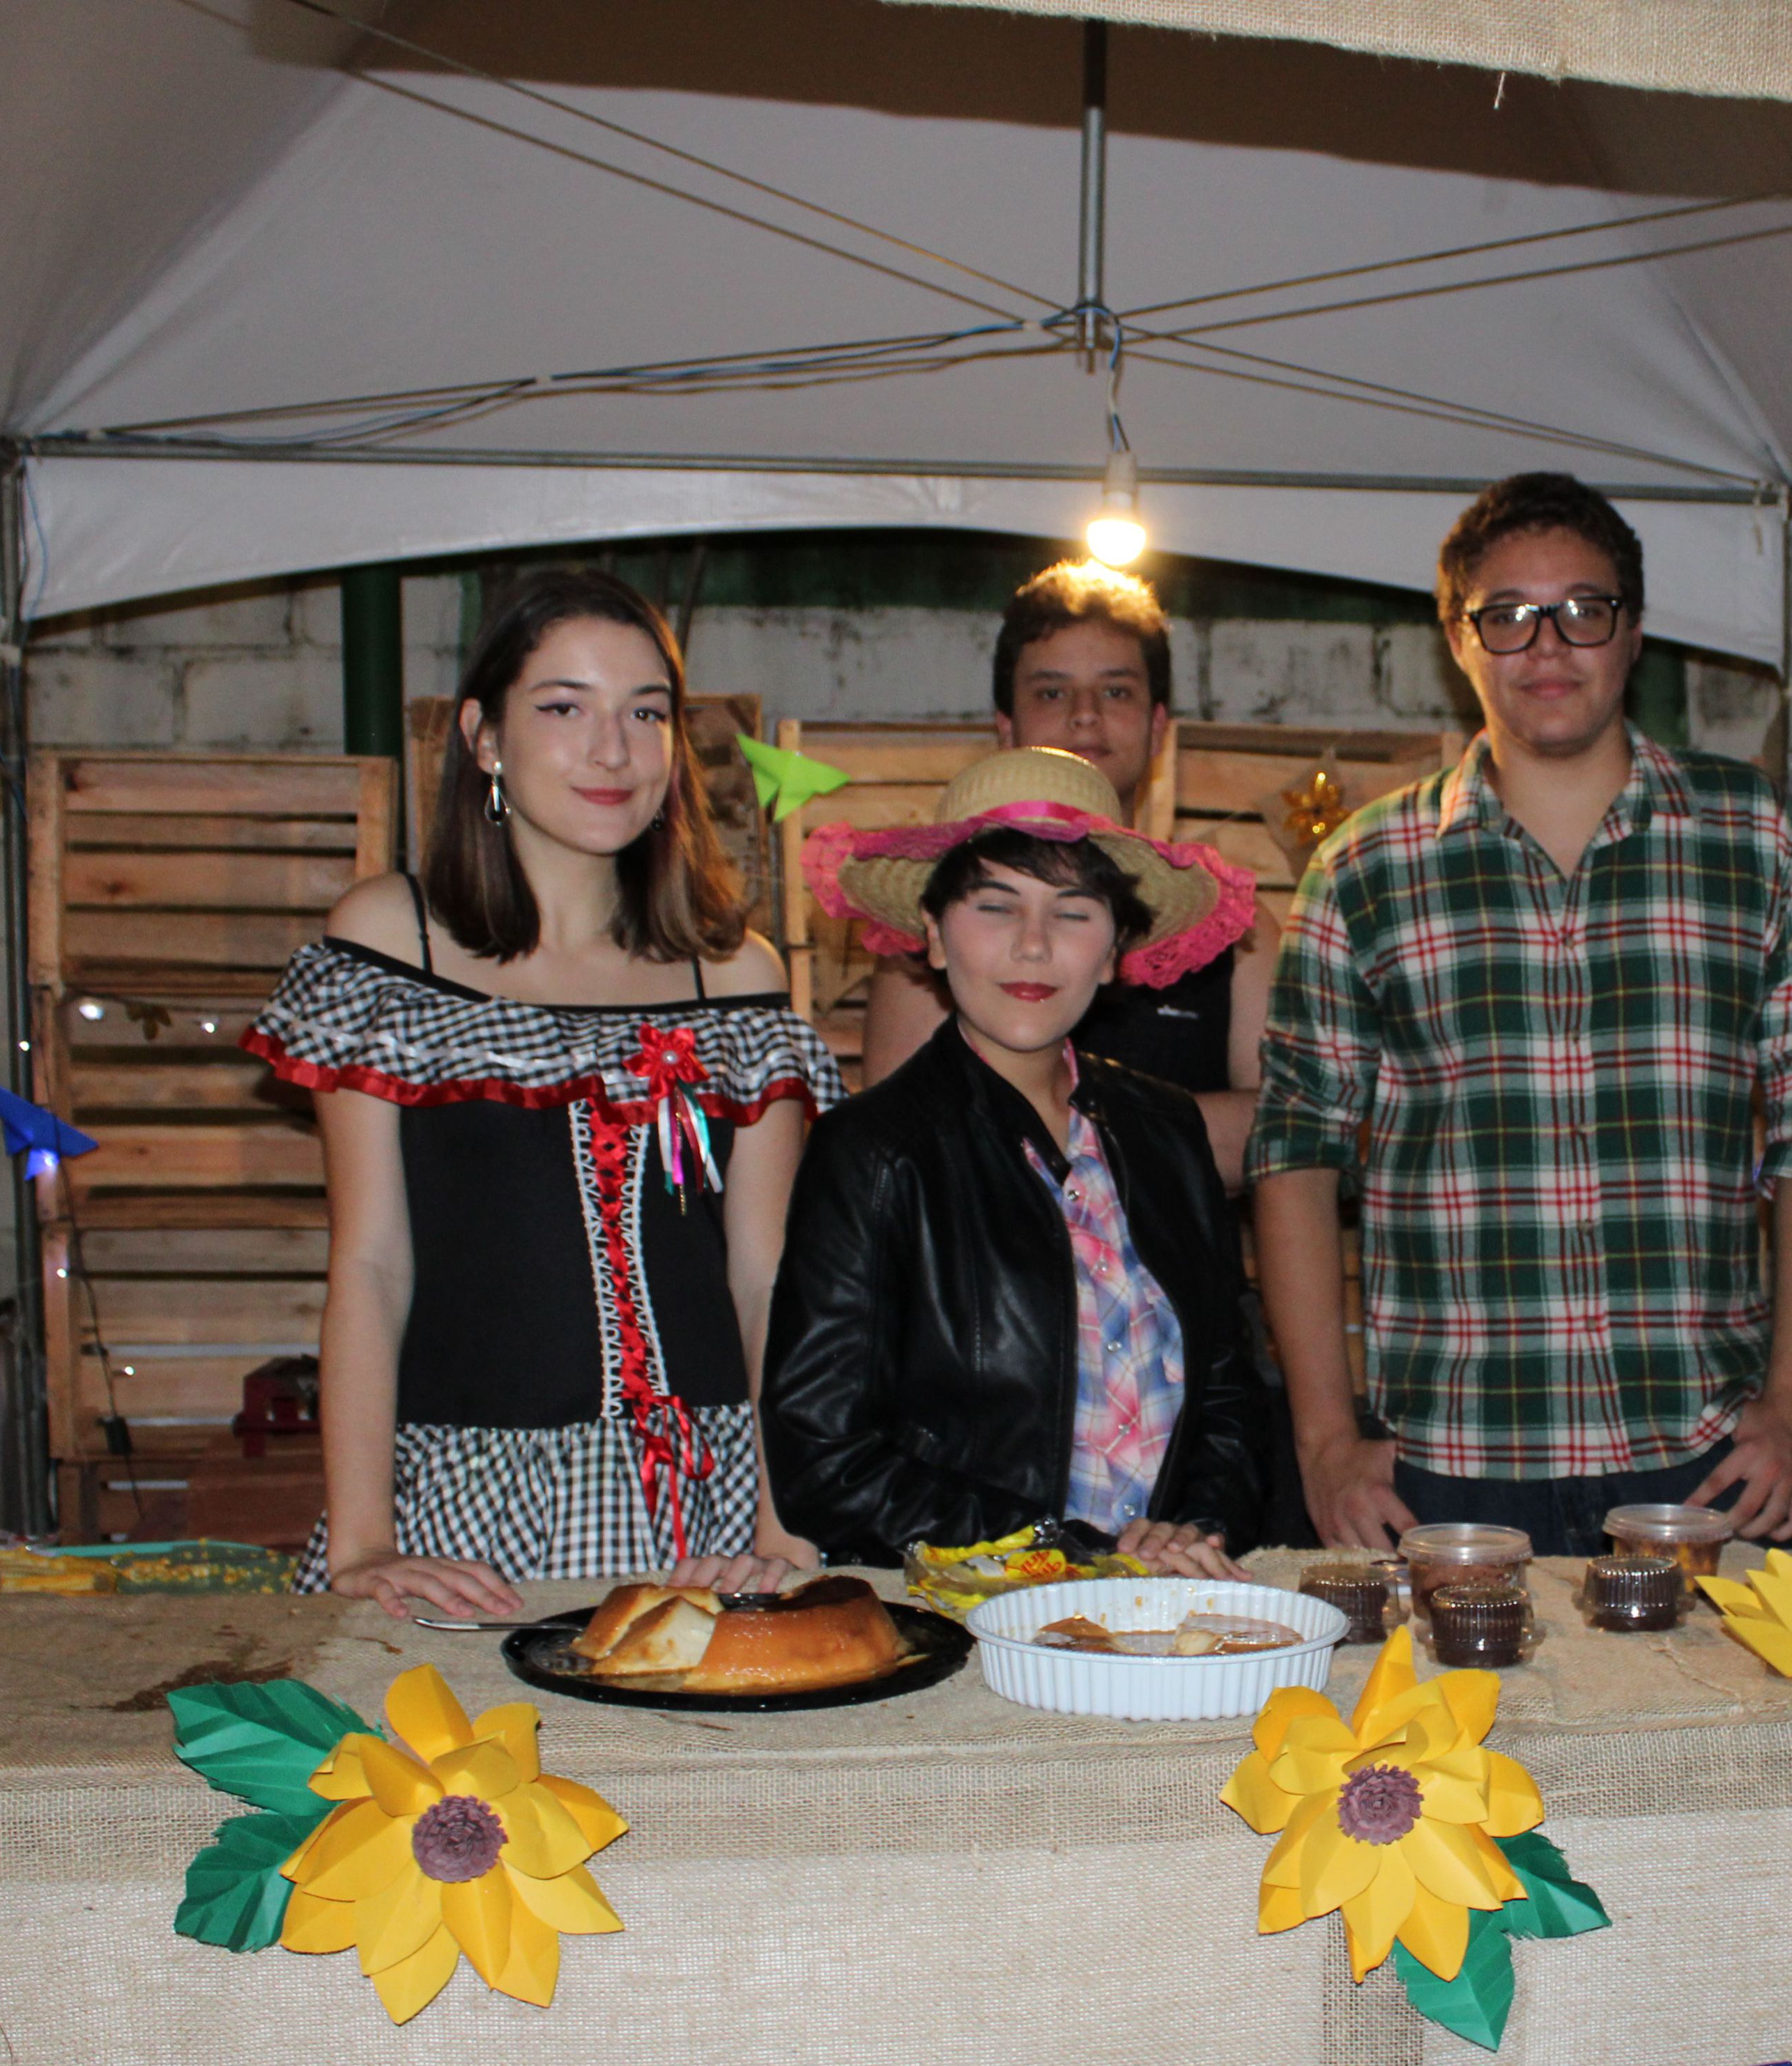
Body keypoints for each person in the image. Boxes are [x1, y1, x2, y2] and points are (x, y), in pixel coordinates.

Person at [1249, 470, 1792, 1554]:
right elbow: (1295, 1155)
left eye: (1583, 609)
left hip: (1705, 1454)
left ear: (1634, 633)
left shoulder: (1755, 840)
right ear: (1458, 638)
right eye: (1508, 614)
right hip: (1446, 1467)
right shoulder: (1362, 870)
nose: (1547, 645)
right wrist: (1324, 1441)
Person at [244, 568, 841, 1619]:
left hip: (710, 1503)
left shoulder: (734, 974)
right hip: (463, 1507)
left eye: (645, 713)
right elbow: (371, 1265)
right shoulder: (389, 942)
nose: (613, 750)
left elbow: (764, 1277)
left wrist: (784, 1524)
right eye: (565, 708)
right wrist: (366, 1540)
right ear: (484, 736)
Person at [765, 747, 1269, 1570]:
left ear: (1114, 948)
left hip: (1170, 1601)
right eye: (996, 907)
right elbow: (823, 1461)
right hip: (974, 1609)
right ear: (933, 934)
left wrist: (1198, 1524)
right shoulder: (874, 1151)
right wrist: (1066, 1549)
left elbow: (1228, 1390)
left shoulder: (1164, 1128)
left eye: (1073, 913)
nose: (1033, 946)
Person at [859, 560, 1275, 1181]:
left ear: (1158, 726)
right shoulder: (932, 920)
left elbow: (1280, 1132)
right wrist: (1170, 1136)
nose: (1085, 715)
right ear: (1006, 727)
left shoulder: (1237, 928)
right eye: (1052, 693)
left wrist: (1054, 1130)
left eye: (1116, 691)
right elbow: (902, 1145)